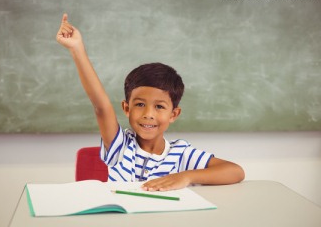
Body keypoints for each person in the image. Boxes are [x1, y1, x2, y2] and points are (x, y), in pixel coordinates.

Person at [56, 13, 245, 191]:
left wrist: (186, 177)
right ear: (126, 108)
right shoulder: (120, 146)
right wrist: (77, 49)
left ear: (174, 114)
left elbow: (236, 171)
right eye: (139, 104)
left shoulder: (180, 153)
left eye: (159, 107)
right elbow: (101, 106)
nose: (148, 114)